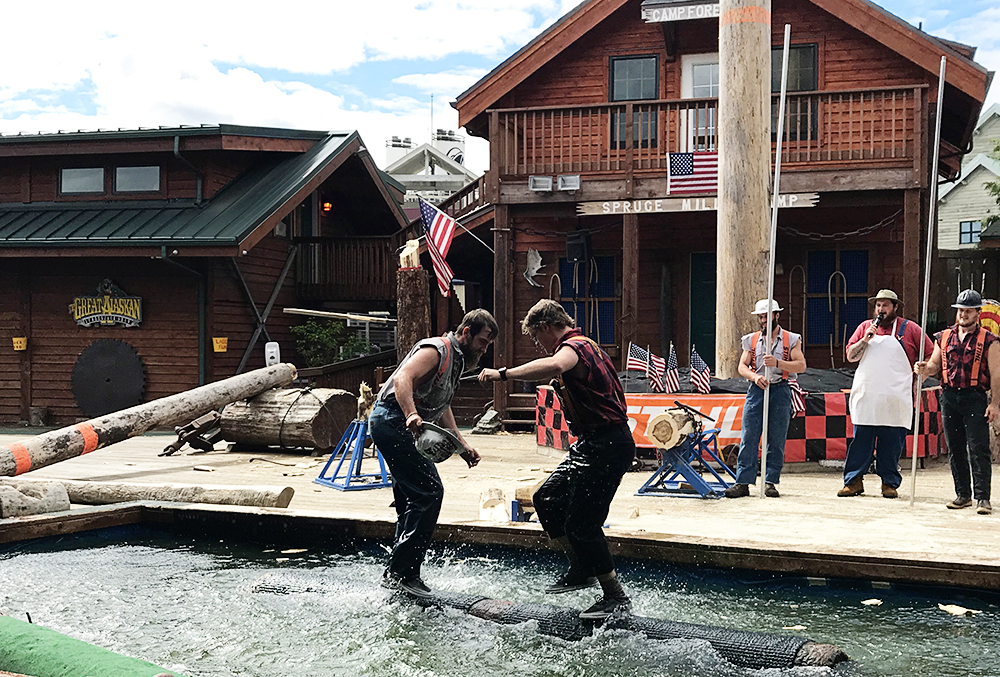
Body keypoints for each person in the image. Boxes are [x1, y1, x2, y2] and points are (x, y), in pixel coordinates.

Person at [479, 299, 635, 621]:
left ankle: (615, 597)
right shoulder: (585, 347)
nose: (540, 345)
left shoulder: (574, 345)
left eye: (537, 338)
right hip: (592, 443)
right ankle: (581, 568)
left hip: (608, 444)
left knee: (583, 523)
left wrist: (503, 373)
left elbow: (555, 364)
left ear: (548, 326)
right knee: (546, 498)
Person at [370, 309, 498, 597]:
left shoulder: (457, 360)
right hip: (392, 419)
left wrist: (460, 442)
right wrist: (411, 415)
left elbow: (442, 404)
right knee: (429, 492)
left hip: (399, 423)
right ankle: (404, 575)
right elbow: (403, 378)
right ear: (466, 332)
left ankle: (395, 574)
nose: (484, 348)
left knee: (410, 498)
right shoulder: (436, 349)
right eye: (483, 341)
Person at [838, 289, 934, 499]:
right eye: (878, 305)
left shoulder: (910, 329)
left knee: (891, 443)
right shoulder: (865, 327)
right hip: (867, 395)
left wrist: (921, 374)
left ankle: (889, 483)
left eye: (885, 305)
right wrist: (865, 340)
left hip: (895, 397)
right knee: (861, 441)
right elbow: (851, 356)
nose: (881, 310)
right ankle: (853, 481)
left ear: (895, 307)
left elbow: (931, 353)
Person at [914, 289, 999, 515]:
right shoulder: (943, 337)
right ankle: (963, 494)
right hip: (949, 396)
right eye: (961, 310)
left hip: (975, 397)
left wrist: (995, 404)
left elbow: (997, 374)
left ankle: (982, 497)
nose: (963, 315)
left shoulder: (989, 340)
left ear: (977, 313)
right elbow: (934, 365)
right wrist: (924, 368)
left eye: (968, 311)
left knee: (978, 448)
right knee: (955, 447)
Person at [724, 299, 806, 499]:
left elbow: (801, 365)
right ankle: (743, 482)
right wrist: (755, 376)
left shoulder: (791, 339)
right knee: (749, 436)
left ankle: (770, 481)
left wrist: (778, 362)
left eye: (766, 316)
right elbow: (742, 366)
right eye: (760, 317)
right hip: (756, 389)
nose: (763, 320)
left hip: (780, 389)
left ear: (776, 315)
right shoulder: (750, 340)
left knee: (776, 439)